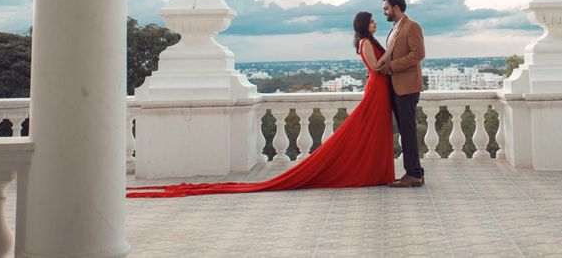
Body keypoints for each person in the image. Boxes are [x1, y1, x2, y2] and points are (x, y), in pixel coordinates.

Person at [126, 12, 395, 197]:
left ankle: (376, 170)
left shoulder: (369, 40)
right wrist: (393, 57)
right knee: (365, 130)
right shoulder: (364, 43)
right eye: (371, 21)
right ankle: (368, 170)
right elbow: (376, 67)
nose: (374, 24)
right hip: (377, 89)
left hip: (381, 90)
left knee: (373, 131)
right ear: (363, 24)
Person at [374, 0, 426, 187]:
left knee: (408, 131)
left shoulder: (412, 26)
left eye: (386, 9)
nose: (384, 12)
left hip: (407, 88)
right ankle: (416, 173)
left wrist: (392, 67)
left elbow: (418, 54)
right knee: (406, 131)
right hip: (396, 87)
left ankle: (413, 174)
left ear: (396, 8)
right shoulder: (395, 29)